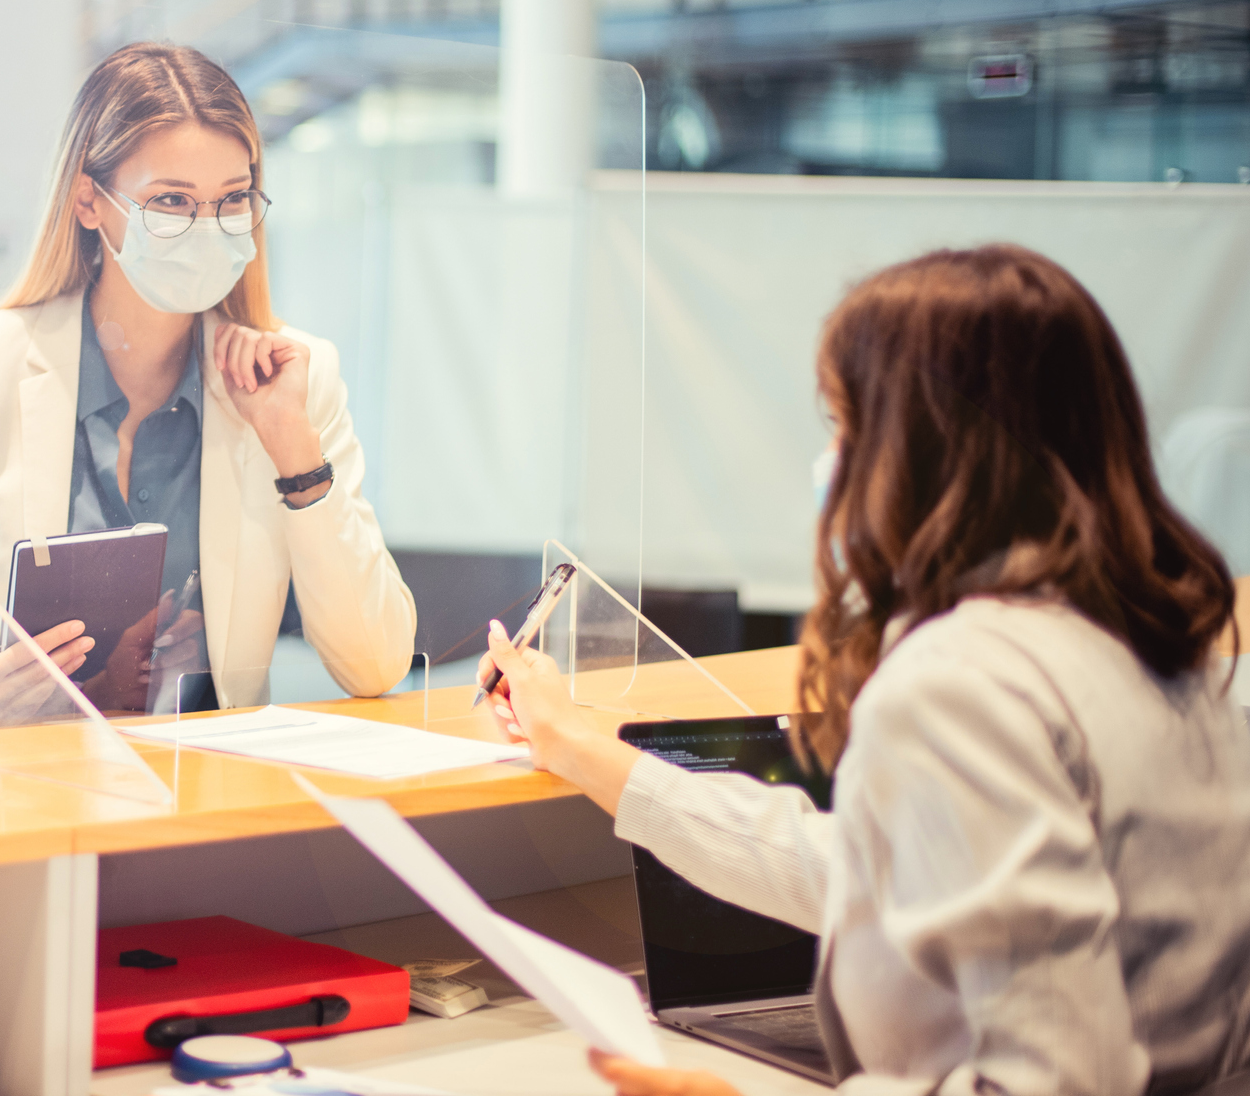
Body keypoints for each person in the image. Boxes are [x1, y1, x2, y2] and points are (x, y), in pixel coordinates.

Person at [480, 244, 1250, 1094]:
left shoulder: (962, 682)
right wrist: (581, 748)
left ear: (924, 452)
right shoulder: (1166, 652)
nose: (830, 463)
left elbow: (1051, 1080)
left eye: (845, 426)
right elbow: (869, 874)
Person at [0, 42, 417, 736]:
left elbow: (376, 663)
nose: (206, 228)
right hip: (6, 790)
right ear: (89, 201)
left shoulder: (296, 378)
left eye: (232, 199)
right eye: (170, 202)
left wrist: (294, 451)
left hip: (203, 801)